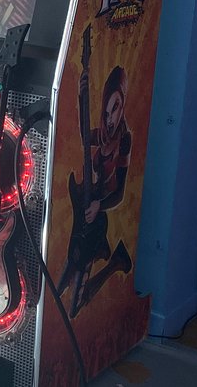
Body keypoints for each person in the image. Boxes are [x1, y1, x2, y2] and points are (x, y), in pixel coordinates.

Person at [57, 65, 133, 318]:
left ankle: (115, 264)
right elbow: (82, 136)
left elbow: (120, 193)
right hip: (85, 212)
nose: (111, 117)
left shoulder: (124, 140)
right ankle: (115, 262)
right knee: (61, 282)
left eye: (117, 108)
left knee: (75, 304)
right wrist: (80, 95)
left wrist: (99, 205)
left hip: (98, 219)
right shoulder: (101, 134)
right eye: (108, 109)